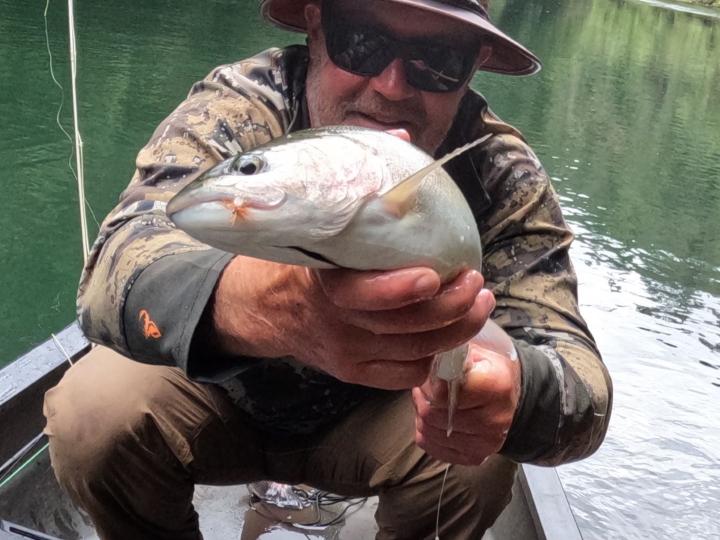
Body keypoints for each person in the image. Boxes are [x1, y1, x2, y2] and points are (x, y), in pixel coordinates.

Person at [43, 0, 612, 538]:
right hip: (216, 402)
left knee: (479, 460)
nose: (391, 85)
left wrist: (513, 391)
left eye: (438, 61)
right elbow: (115, 266)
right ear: (316, 28)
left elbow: (584, 391)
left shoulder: (499, 172)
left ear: (474, 65)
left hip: (383, 425)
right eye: (361, 41)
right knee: (91, 411)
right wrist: (257, 307)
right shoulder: (242, 106)